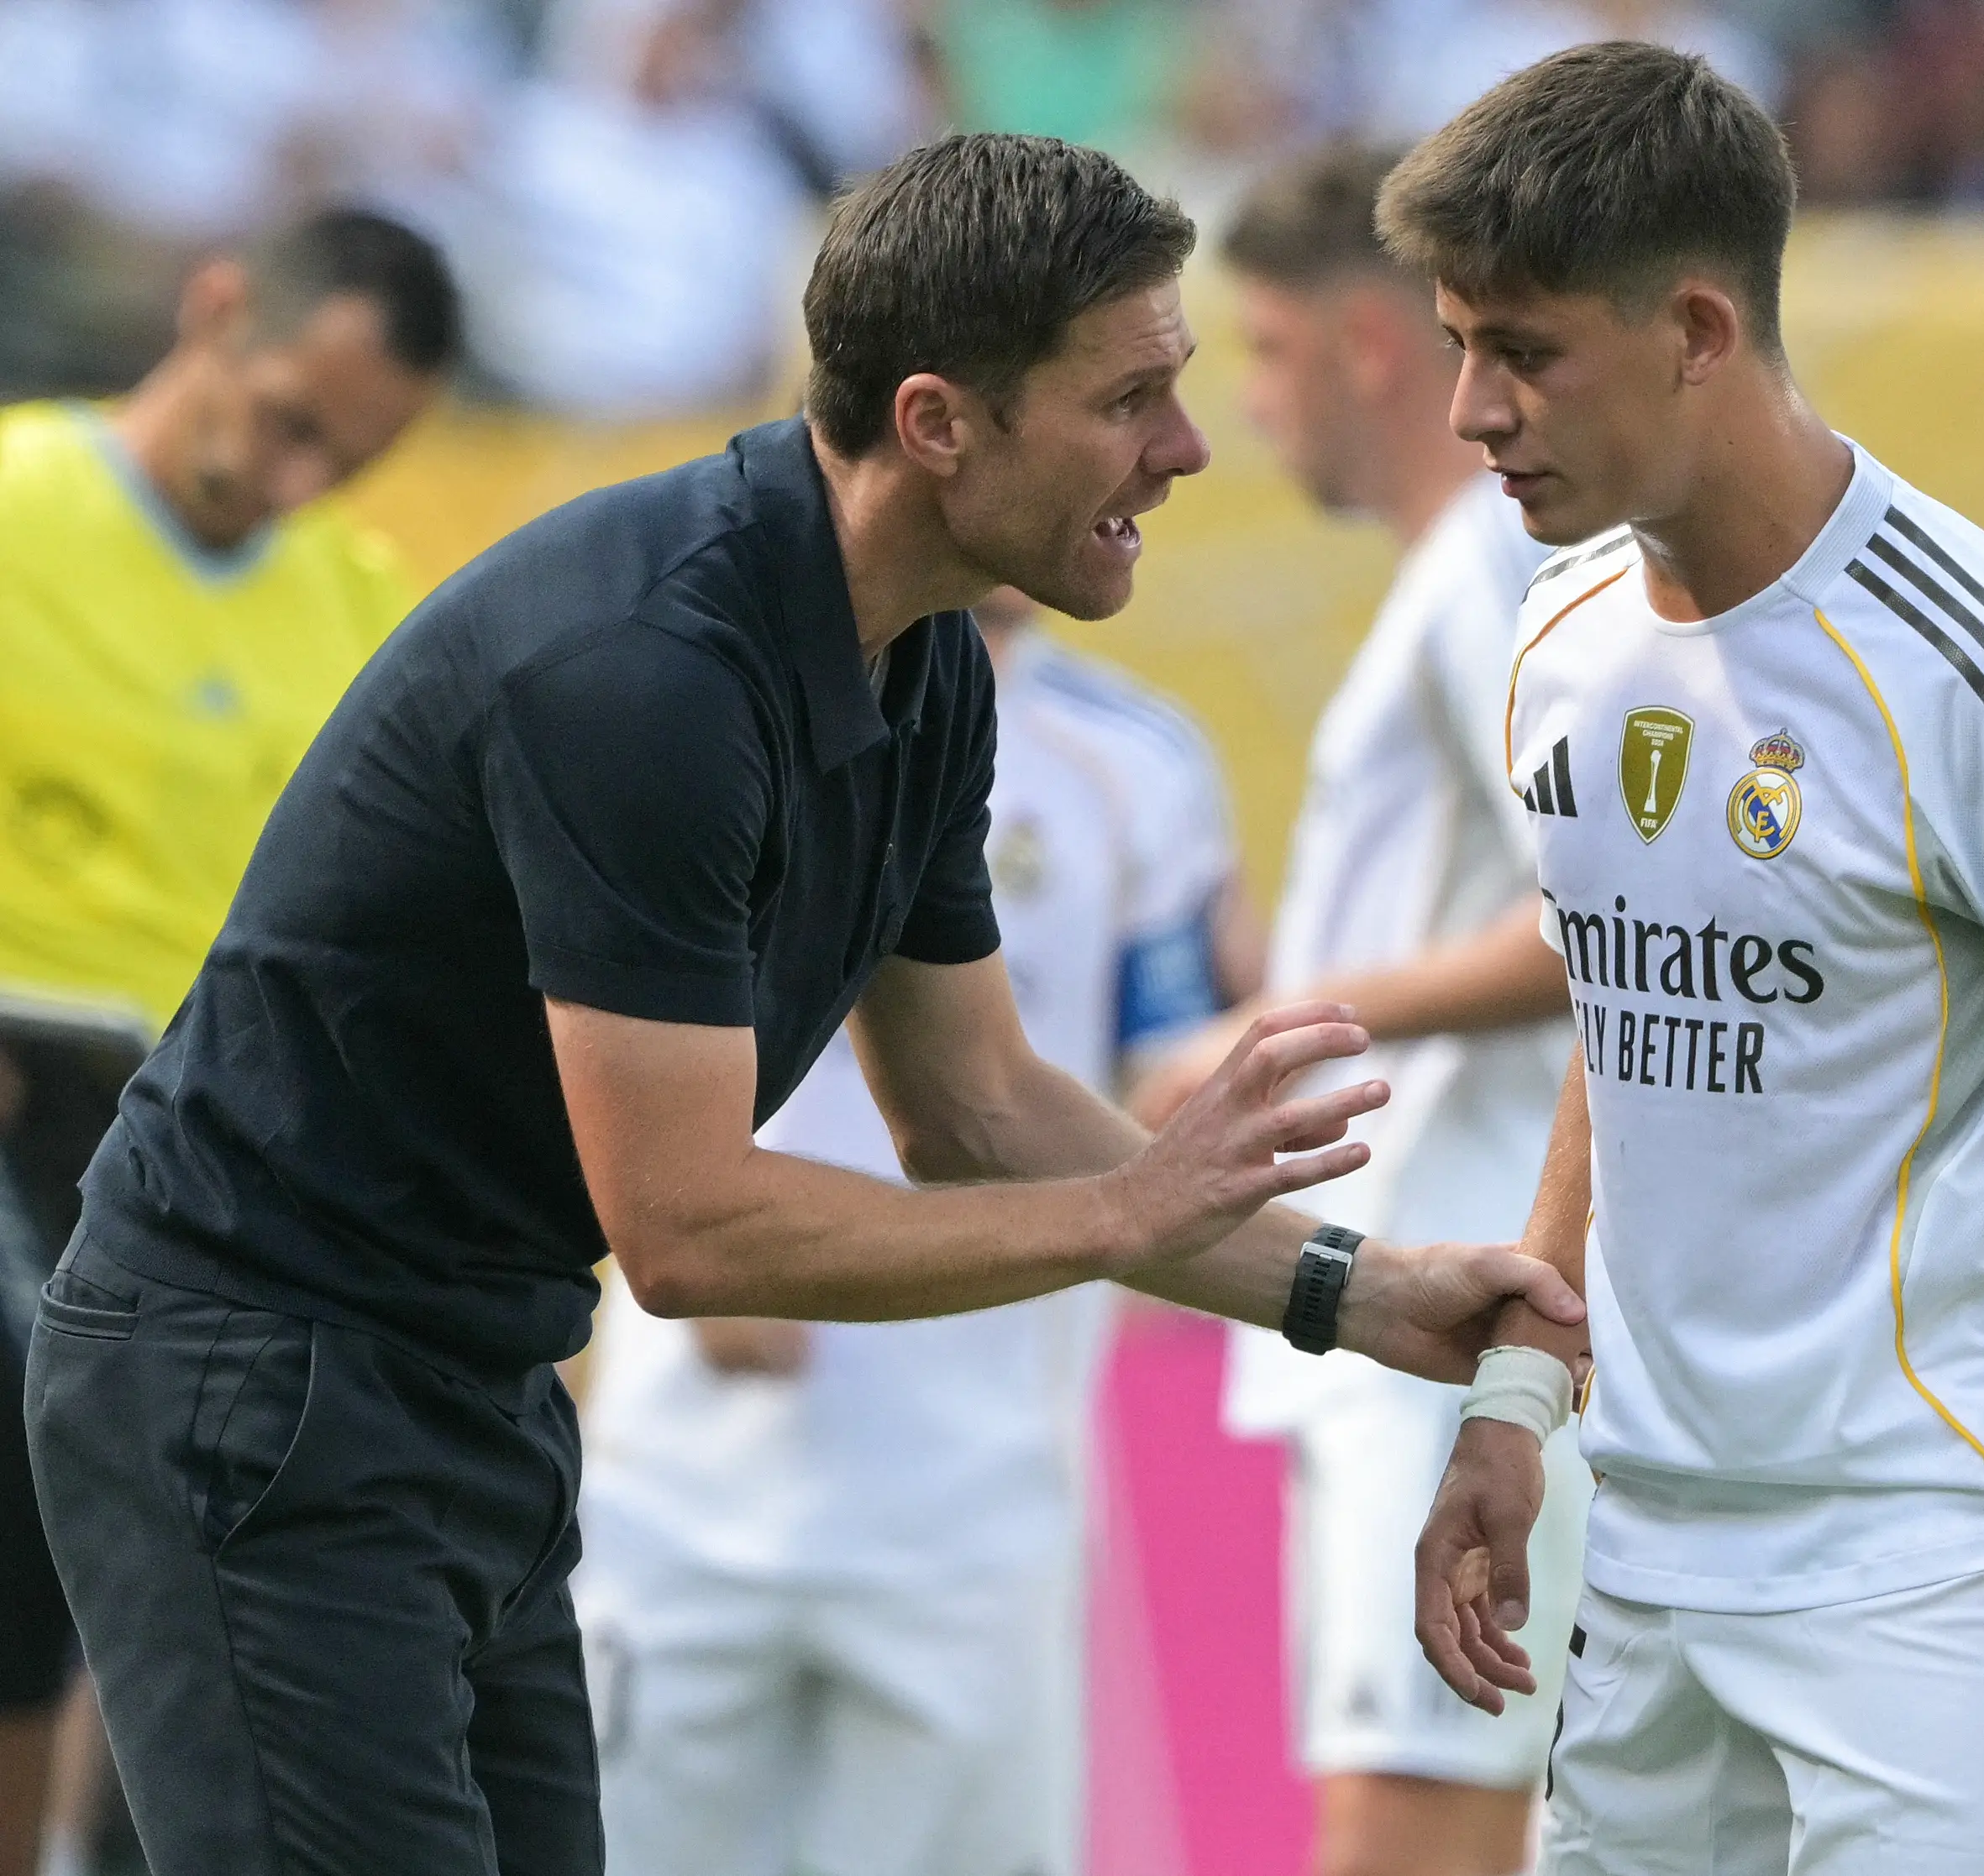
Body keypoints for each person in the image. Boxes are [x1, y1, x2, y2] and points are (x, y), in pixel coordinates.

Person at [24, 134, 1582, 1876]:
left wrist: (1358, 1291)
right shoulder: (652, 675)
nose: (1185, 448)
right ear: (937, 422)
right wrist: (1118, 1210)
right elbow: (686, 1231)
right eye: (1130, 396)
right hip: (256, 1383)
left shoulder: (918, 667)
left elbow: (977, 1108)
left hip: (467, 1383)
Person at [1384, 46, 1984, 1874]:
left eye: (1521, 351)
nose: (1470, 411)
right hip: (1653, 1554)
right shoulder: (1562, 635)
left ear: (1693, 327)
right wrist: (1521, 1392)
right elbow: (1628, 1005)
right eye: (1457, 344)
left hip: (1932, 1554)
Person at [575, 584, 1262, 1876]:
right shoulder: (686, 705)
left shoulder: (1136, 765)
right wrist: (692, 1224)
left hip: (971, 1513)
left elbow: (1175, 1105)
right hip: (676, 1499)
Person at [1134, 144, 1589, 1876]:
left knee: (1416, 1826)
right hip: (1433, 1282)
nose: (1241, 406)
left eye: (1258, 351)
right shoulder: (1460, 573)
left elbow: (1601, 915)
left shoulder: (1489, 565)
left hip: (1446, 1290)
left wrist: (1289, 1027)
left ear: (1369, 347)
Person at [0, 207, 459, 1876]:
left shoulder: (362, 611)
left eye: (342, 459)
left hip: (214, 1175)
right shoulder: (13, 508)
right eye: (286, 423)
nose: (294, 485)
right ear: (210, 305)